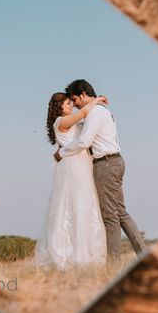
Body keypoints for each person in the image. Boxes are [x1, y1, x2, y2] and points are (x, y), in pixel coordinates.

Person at [54, 79, 146, 264]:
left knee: (110, 216)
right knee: (120, 212)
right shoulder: (101, 110)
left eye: (75, 99)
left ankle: (112, 264)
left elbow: (84, 141)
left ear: (83, 94)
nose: (75, 105)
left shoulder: (95, 112)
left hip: (106, 164)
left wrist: (61, 153)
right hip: (115, 160)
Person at [34, 92, 108, 270]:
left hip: (83, 165)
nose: (71, 106)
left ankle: (86, 252)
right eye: (68, 103)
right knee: (73, 204)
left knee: (85, 204)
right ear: (59, 107)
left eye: (70, 102)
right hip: (72, 168)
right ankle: (69, 255)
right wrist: (96, 100)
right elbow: (83, 113)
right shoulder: (60, 122)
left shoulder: (73, 122)